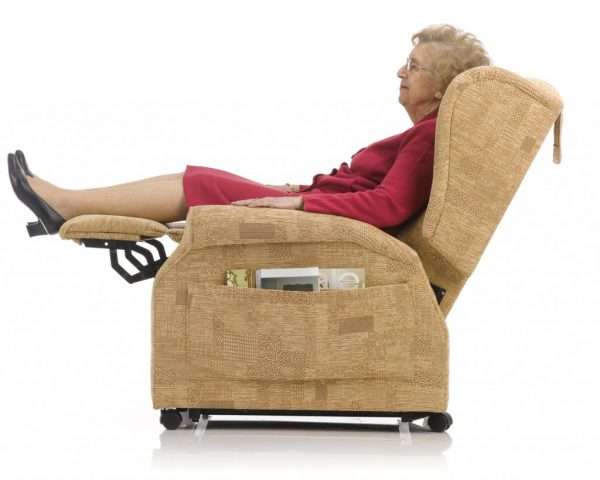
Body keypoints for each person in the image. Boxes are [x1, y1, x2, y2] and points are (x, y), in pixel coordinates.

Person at [7, 24, 491, 237]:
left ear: (443, 87)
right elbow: (371, 192)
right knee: (199, 177)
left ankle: (65, 205)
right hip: (317, 205)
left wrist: (298, 202)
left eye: (414, 66)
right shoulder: (423, 134)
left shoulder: (427, 137)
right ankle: (67, 202)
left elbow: (388, 206)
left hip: (321, 219)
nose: (400, 72)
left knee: (200, 183)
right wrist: (298, 189)